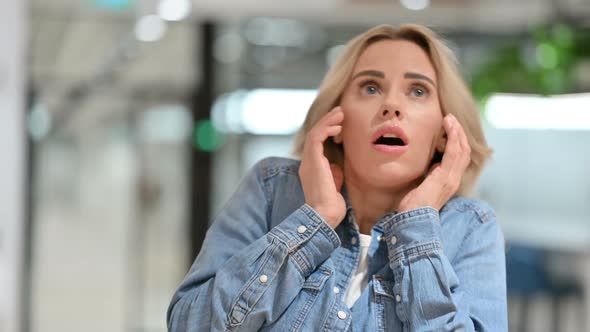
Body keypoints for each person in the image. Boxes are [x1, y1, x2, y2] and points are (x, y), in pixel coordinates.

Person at [167, 23, 507, 331]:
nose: (391, 105)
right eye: (371, 88)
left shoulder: (471, 227)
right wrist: (313, 220)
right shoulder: (271, 189)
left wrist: (417, 227)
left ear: (444, 133)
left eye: (418, 91)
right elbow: (190, 325)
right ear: (337, 122)